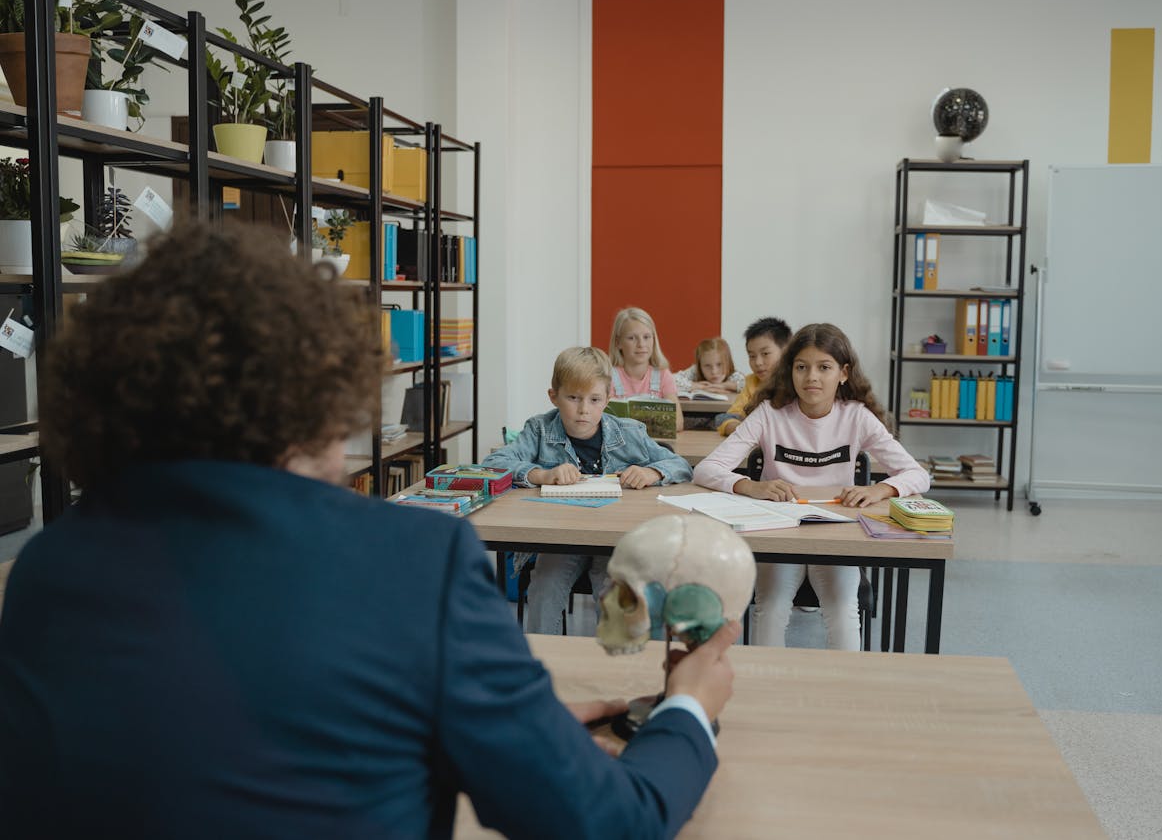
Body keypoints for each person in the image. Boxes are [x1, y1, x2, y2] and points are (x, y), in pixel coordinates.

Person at [0, 221, 737, 840]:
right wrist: (687, 711)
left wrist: (489, 714)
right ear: (316, 392)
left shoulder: (45, 570)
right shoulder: (418, 559)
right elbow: (609, 822)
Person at [693, 323, 930, 651]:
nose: (811, 377)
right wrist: (750, 486)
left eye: (824, 367)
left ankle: (842, 699)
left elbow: (918, 474)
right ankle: (765, 693)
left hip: (834, 537)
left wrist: (881, 489)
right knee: (771, 607)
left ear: (843, 374)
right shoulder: (769, 414)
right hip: (778, 533)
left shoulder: (856, 416)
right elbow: (707, 469)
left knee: (842, 608)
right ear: (790, 371)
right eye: (801, 367)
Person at [483, 346, 693, 635]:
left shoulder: (629, 432)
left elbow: (680, 465)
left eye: (594, 399)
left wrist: (650, 472)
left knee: (615, 590)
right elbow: (493, 464)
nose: (583, 409)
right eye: (573, 398)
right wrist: (542, 474)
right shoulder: (539, 430)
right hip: (560, 538)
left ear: (608, 399)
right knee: (544, 587)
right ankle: (545, 666)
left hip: (615, 539)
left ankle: (613, 668)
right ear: (553, 396)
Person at [609, 306, 684, 432]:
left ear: (654, 340)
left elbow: (678, 423)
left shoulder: (663, 376)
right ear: (618, 342)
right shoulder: (608, 377)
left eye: (647, 337)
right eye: (631, 338)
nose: (641, 344)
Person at [717, 316, 792, 436]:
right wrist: (738, 428)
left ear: (786, 352)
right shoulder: (752, 382)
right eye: (752, 356)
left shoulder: (796, 382)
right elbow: (729, 417)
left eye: (765, 354)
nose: (758, 362)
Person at [673, 337, 746, 397]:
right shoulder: (695, 371)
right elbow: (670, 381)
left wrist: (725, 386)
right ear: (700, 366)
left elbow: (752, 387)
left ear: (728, 363)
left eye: (719, 364)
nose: (714, 371)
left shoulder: (733, 375)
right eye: (707, 366)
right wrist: (699, 386)